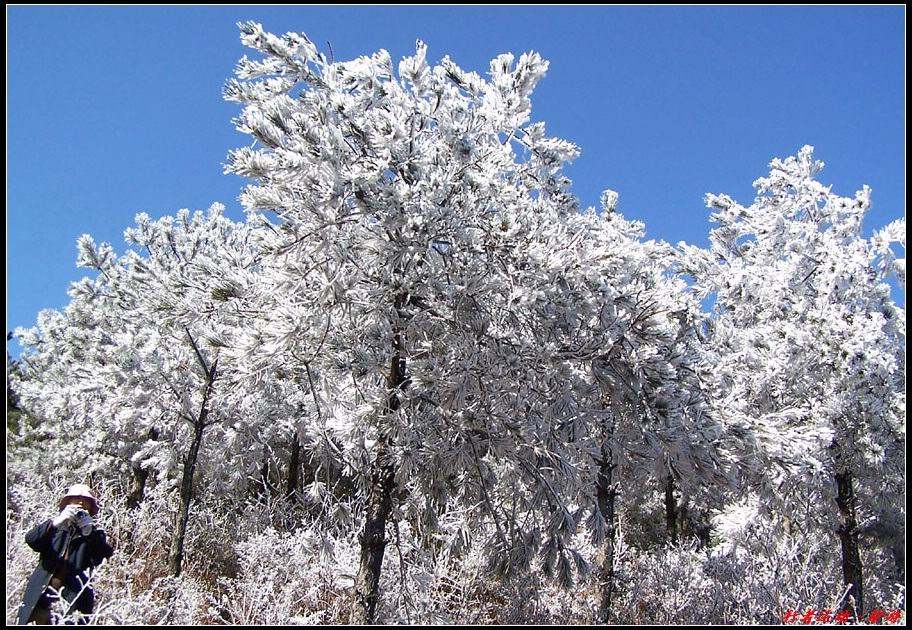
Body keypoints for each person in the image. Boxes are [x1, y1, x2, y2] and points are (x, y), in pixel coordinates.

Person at [17, 484, 114, 625]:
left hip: (73, 598)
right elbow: (31, 539)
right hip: (41, 595)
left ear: (90, 507)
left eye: (85, 500)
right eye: (75, 499)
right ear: (67, 503)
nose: (80, 503)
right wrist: (55, 523)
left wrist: (88, 532)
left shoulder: (95, 535)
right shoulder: (54, 528)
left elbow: (103, 556)